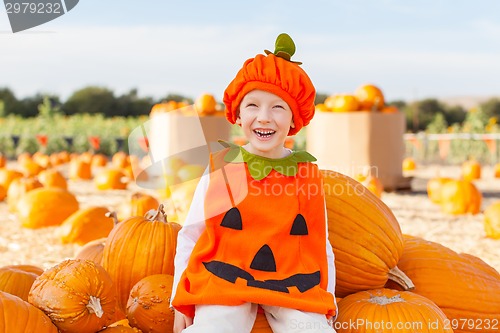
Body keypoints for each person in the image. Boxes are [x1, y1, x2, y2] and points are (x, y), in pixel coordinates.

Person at [171, 33, 337, 333]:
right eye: (253, 106)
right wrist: (177, 297)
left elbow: (319, 243)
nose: (264, 118)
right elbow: (191, 235)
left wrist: (329, 301)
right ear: (237, 112)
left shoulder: (307, 174)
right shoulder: (221, 168)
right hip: (224, 277)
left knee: (310, 328)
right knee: (214, 326)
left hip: (291, 282)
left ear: (294, 118)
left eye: (278, 107)